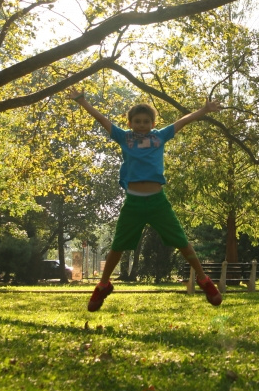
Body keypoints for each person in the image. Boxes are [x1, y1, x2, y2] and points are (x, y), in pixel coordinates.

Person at [68, 86, 224, 311]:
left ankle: (203, 279)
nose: (142, 125)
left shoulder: (159, 136)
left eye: (146, 121)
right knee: (117, 246)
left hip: (158, 202)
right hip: (133, 203)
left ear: (153, 123)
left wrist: (204, 110)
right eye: (137, 121)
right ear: (130, 123)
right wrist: (82, 101)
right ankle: (103, 285)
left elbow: (183, 121)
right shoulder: (124, 137)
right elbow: (102, 119)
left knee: (181, 241)